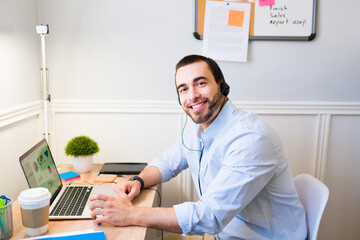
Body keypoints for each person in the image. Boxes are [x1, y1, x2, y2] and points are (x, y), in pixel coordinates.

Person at [89, 55, 307, 239]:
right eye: (183, 89)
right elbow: (168, 161)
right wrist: (138, 181)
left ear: (221, 84)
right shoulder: (198, 128)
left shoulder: (250, 138)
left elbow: (209, 216)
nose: (192, 95)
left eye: (200, 83)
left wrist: (131, 215)